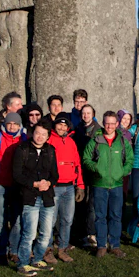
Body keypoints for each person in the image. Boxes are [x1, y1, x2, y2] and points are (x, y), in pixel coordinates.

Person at [82, 111, 134, 258]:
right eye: (107, 123)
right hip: (100, 184)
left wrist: (123, 171)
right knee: (100, 216)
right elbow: (86, 159)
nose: (110, 126)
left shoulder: (122, 141)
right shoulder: (95, 141)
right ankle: (101, 245)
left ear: (117, 124)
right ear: (103, 123)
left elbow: (130, 159)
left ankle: (115, 245)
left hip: (117, 184)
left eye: (112, 123)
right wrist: (96, 168)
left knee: (116, 216)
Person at [13, 122, 60, 277]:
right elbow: (17, 174)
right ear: (33, 133)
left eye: (44, 134)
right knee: (29, 233)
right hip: (30, 196)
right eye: (38, 133)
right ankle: (23, 263)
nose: (40, 137)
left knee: (46, 233)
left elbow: (55, 174)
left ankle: (38, 258)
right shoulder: (22, 149)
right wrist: (34, 184)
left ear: (47, 137)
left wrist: (49, 183)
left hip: (47, 197)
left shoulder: (50, 150)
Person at [45, 112, 85, 263]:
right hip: (54, 186)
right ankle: (47, 249)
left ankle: (62, 248)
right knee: (51, 219)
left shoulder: (71, 142)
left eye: (64, 125)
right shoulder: (49, 140)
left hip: (69, 187)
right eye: (59, 125)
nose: (62, 127)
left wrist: (80, 185)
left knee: (67, 219)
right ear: (55, 126)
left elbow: (77, 164)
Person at [0, 112, 24, 264]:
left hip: (17, 185)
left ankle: (14, 250)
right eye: (10, 123)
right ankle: (1, 250)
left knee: (16, 219)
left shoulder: (24, 139)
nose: (12, 126)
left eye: (15, 124)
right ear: (5, 124)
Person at [73, 104, 99, 247]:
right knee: (81, 201)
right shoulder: (78, 129)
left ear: (93, 114)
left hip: (93, 170)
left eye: (88, 113)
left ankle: (92, 233)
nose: (86, 116)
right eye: (83, 113)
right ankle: (82, 232)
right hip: (80, 170)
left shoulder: (98, 131)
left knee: (92, 203)